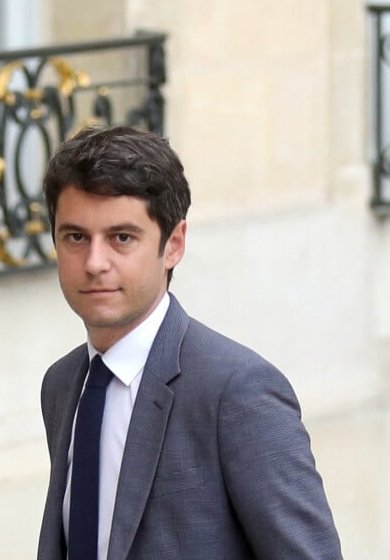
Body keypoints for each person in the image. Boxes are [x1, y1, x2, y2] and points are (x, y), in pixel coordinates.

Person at [37, 125, 342, 560]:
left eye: (122, 238)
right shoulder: (62, 384)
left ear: (174, 244)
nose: (94, 263)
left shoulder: (237, 391)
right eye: (75, 237)